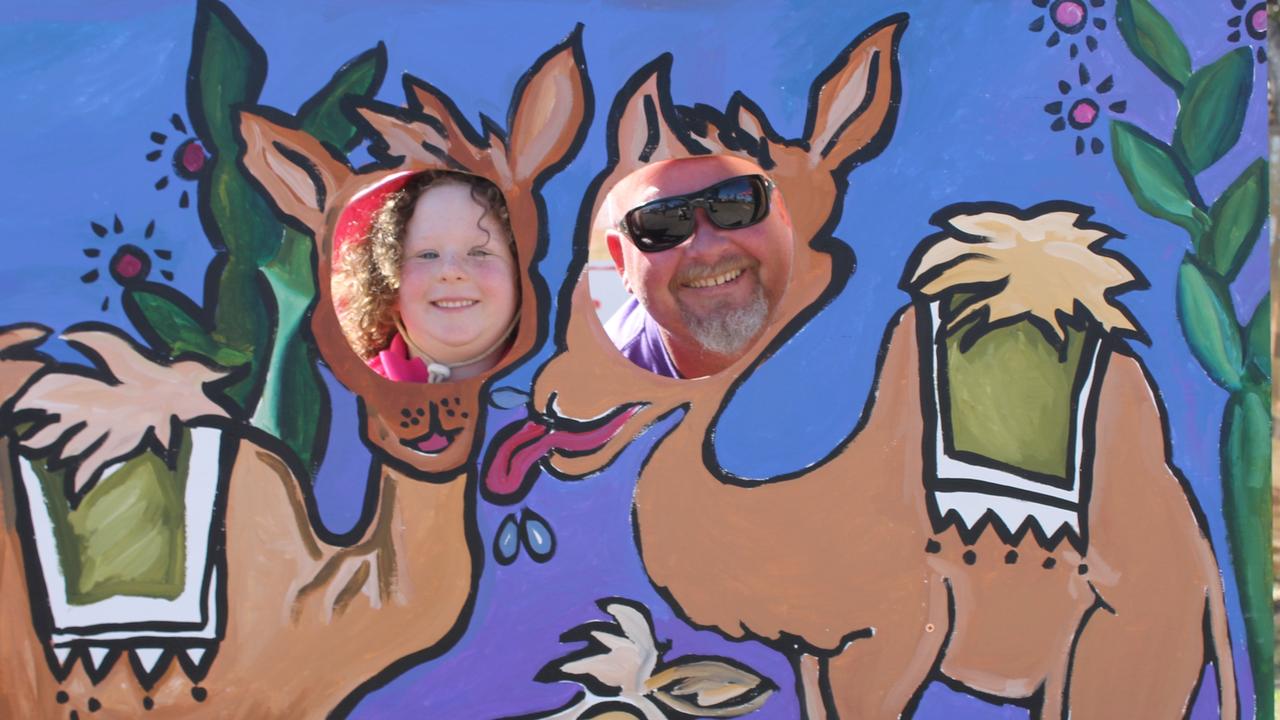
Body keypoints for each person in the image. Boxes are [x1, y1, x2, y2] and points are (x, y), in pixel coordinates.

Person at [602, 156, 794, 378]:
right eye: (661, 222)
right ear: (620, 260)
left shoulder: (843, 311)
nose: (708, 249)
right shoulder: (597, 399)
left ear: (782, 210)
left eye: (735, 204)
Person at [334, 171, 520, 383]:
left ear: (521, 277)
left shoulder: (558, 406)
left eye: (479, 252)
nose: (451, 271)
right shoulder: (347, 402)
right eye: (428, 255)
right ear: (387, 283)